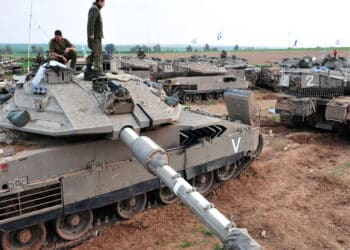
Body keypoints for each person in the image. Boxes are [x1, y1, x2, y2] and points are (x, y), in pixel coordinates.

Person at [87, 0, 105, 73]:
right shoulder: (95, 9)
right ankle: (98, 71)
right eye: (104, 2)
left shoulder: (96, 9)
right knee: (98, 54)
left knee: (95, 52)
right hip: (95, 36)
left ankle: (88, 67)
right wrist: (91, 33)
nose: (104, 4)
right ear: (100, 1)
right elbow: (90, 22)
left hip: (97, 36)